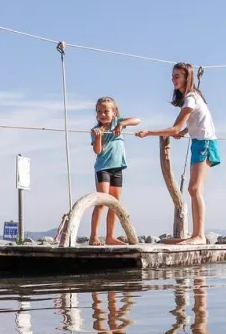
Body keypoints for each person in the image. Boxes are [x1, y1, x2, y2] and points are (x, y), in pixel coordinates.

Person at [136, 62, 219, 244]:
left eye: (177, 76)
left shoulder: (191, 98)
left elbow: (174, 128)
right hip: (199, 142)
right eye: (172, 76)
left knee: (194, 189)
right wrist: (184, 133)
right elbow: (198, 121)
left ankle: (199, 236)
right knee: (194, 189)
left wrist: (149, 132)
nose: (173, 79)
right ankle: (197, 235)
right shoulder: (193, 97)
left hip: (205, 143)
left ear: (186, 78)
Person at [87, 97, 140, 245]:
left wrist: (122, 124)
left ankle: (110, 236)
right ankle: (94, 236)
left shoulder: (118, 123)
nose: (103, 114)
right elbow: (97, 151)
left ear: (114, 112)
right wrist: (98, 137)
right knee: (102, 201)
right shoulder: (95, 130)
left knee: (115, 204)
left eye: (106, 111)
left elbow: (137, 120)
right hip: (103, 168)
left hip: (117, 168)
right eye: (99, 112)